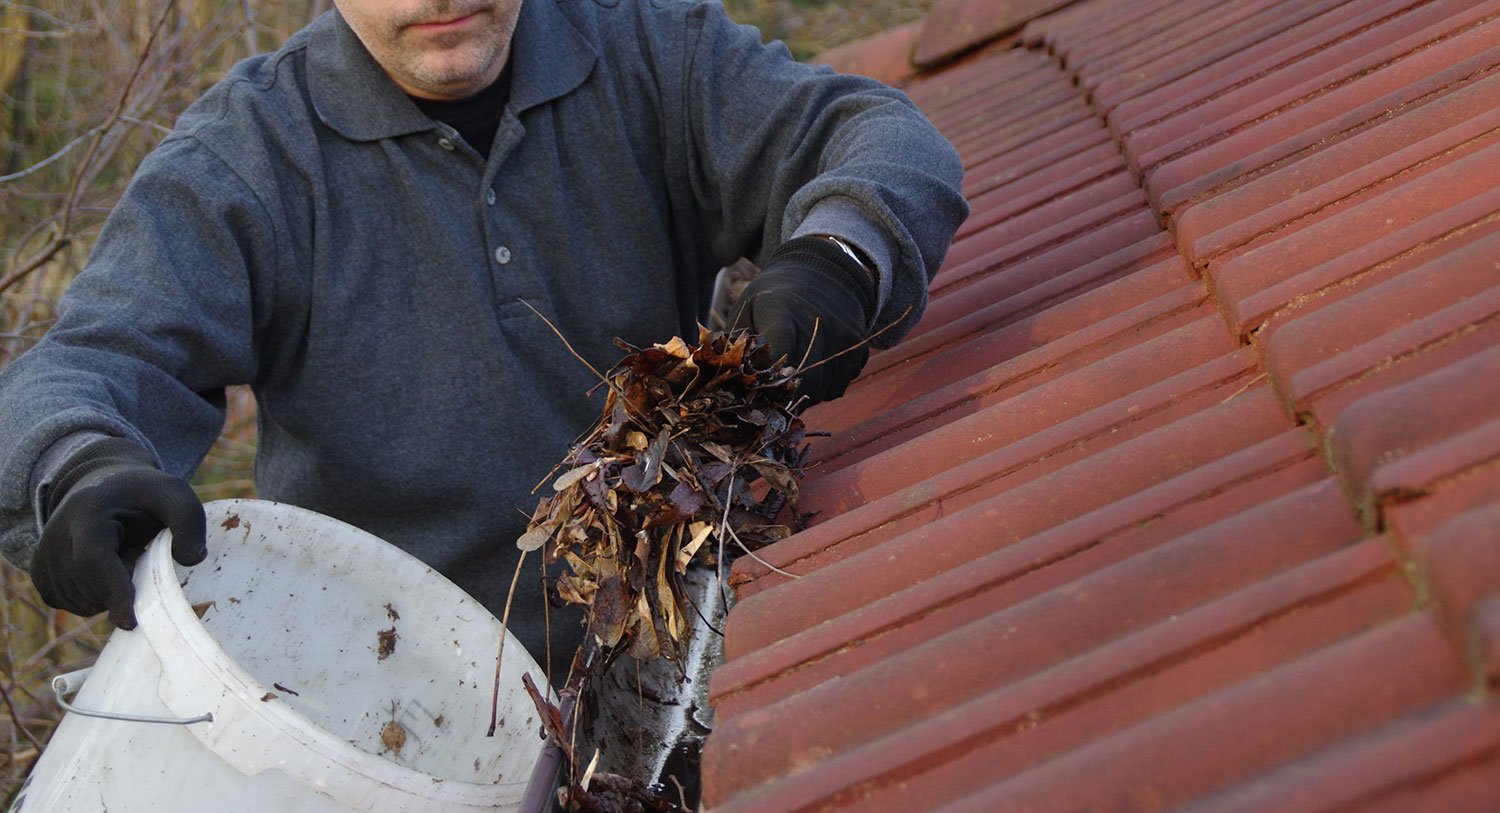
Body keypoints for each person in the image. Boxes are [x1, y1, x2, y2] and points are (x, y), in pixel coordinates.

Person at [0, 0, 968, 674]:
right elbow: (89, 364)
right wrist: (78, 470)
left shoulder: (648, 52)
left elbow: (885, 137)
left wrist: (840, 255)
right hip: (405, 704)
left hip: (691, 648)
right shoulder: (247, 160)